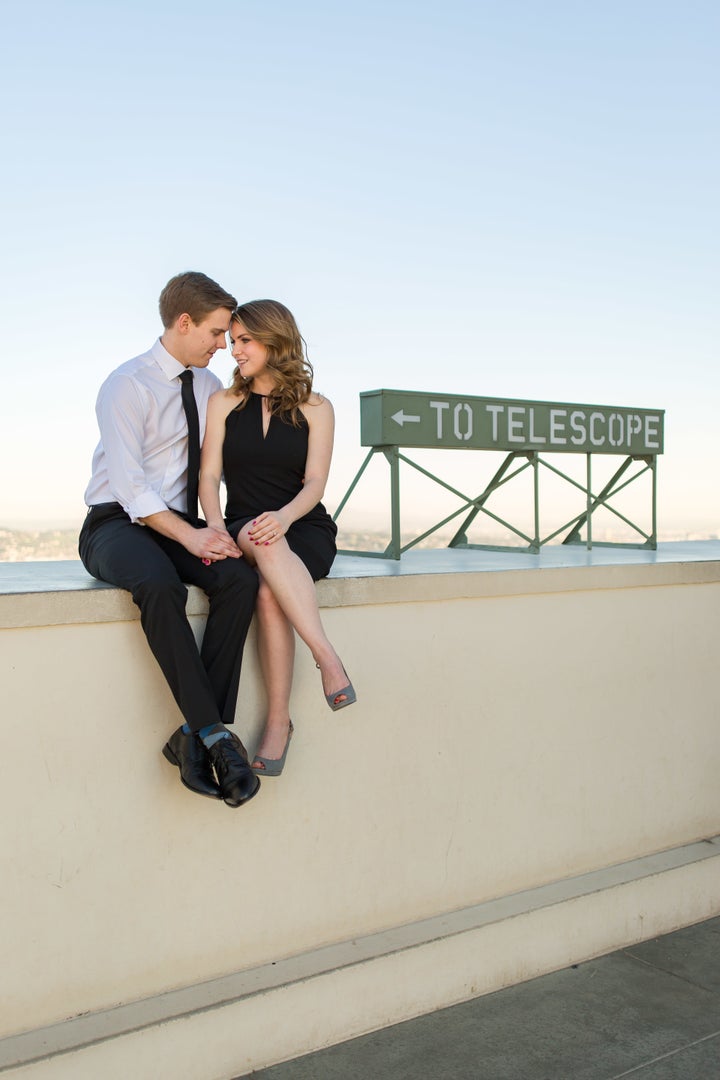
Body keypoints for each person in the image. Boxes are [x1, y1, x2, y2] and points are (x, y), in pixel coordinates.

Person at [79, 272, 261, 808]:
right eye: (217, 332)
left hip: (182, 524)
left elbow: (217, 468)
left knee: (236, 579)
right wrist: (192, 536)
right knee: (160, 586)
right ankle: (216, 736)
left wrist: (218, 532)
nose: (224, 345)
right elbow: (131, 485)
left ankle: (192, 735)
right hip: (116, 523)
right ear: (184, 323)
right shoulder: (125, 384)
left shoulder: (210, 389)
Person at [199, 299, 356, 777]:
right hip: (246, 524)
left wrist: (285, 518)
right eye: (235, 340)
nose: (235, 350)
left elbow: (315, 484)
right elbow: (208, 479)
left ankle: (279, 721)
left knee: (269, 594)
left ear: (274, 340)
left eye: (245, 340)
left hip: (302, 525)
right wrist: (214, 527)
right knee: (263, 541)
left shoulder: (318, 407)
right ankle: (327, 658)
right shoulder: (223, 402)